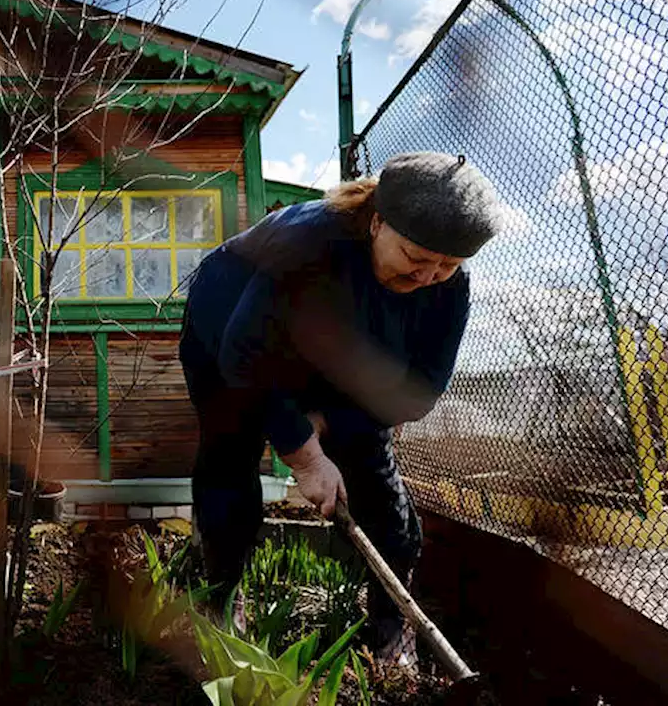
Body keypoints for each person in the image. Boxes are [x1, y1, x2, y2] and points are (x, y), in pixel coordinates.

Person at [179, 151, 503, 664]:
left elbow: (419, 391)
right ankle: (219, 595)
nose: (426, 277)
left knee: (378, 489)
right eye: (415, 257)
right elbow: (242, 354)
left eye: (445, 266)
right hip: (230, 338)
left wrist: (328, 422)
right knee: (230, 457)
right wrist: (304, 453)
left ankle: (391, 631)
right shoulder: (307, 243)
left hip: (338, 364)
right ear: (377, 222)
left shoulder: (448, 289)